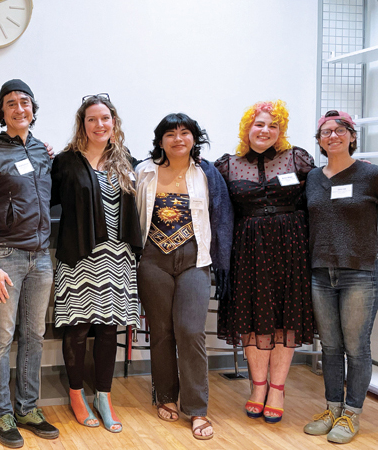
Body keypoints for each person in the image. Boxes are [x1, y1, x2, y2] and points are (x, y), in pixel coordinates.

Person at [214, 100, 315, 424]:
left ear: (281, 130)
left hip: (291, 250)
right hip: (248, 251)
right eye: (259, 124)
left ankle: (278, 389)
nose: (265, 130)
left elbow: (321, 195)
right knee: (252, 321)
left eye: (273, 125)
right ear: (247, 128)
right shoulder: (227, 165)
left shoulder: (297, 158)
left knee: (285, 322)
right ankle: (258, 388)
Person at [0, 79, 59, 449]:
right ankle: (2, 411)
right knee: (2, 337)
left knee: (34, 335)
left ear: (33, 108)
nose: (19, 108)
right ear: (2, 112)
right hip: (6, 258)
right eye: (11, 103)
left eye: (25, 102)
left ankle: (27, 407)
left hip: (41, 257)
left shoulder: (42, 152)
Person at [135, 113, 233, 440]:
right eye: (171, 134)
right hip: (153, 260)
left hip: (195, 260)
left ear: (194, 138)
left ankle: (197, 408)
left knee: (190, 331)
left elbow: (222, 216)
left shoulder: (207, 173)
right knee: (161, 332)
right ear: (160, 140)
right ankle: (164, 395)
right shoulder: (144, 171)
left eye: (185, 132)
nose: (178, 139)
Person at [51, 94, 142, 433]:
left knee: (108, 329)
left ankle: (104, 396)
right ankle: (77, 395)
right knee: (77, 329)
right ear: (82, 124)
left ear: (113, 123)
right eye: (92, 119)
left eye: (105, 118)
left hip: (117, 258)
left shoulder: (127, 161)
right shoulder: (65, 162)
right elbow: (43, 198)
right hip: (79, 257)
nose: (99, 124)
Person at [303, 110, 378, 444]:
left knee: (356, 348)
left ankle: (352, 414)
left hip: (360, 272)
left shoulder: (371, 175)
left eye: (339, 130)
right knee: (330, 347)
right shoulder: (312, 179)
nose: (331, 136)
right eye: (324, 132)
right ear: (319, 141)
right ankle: (332, 408)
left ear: (351, 136)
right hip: (320, 271)